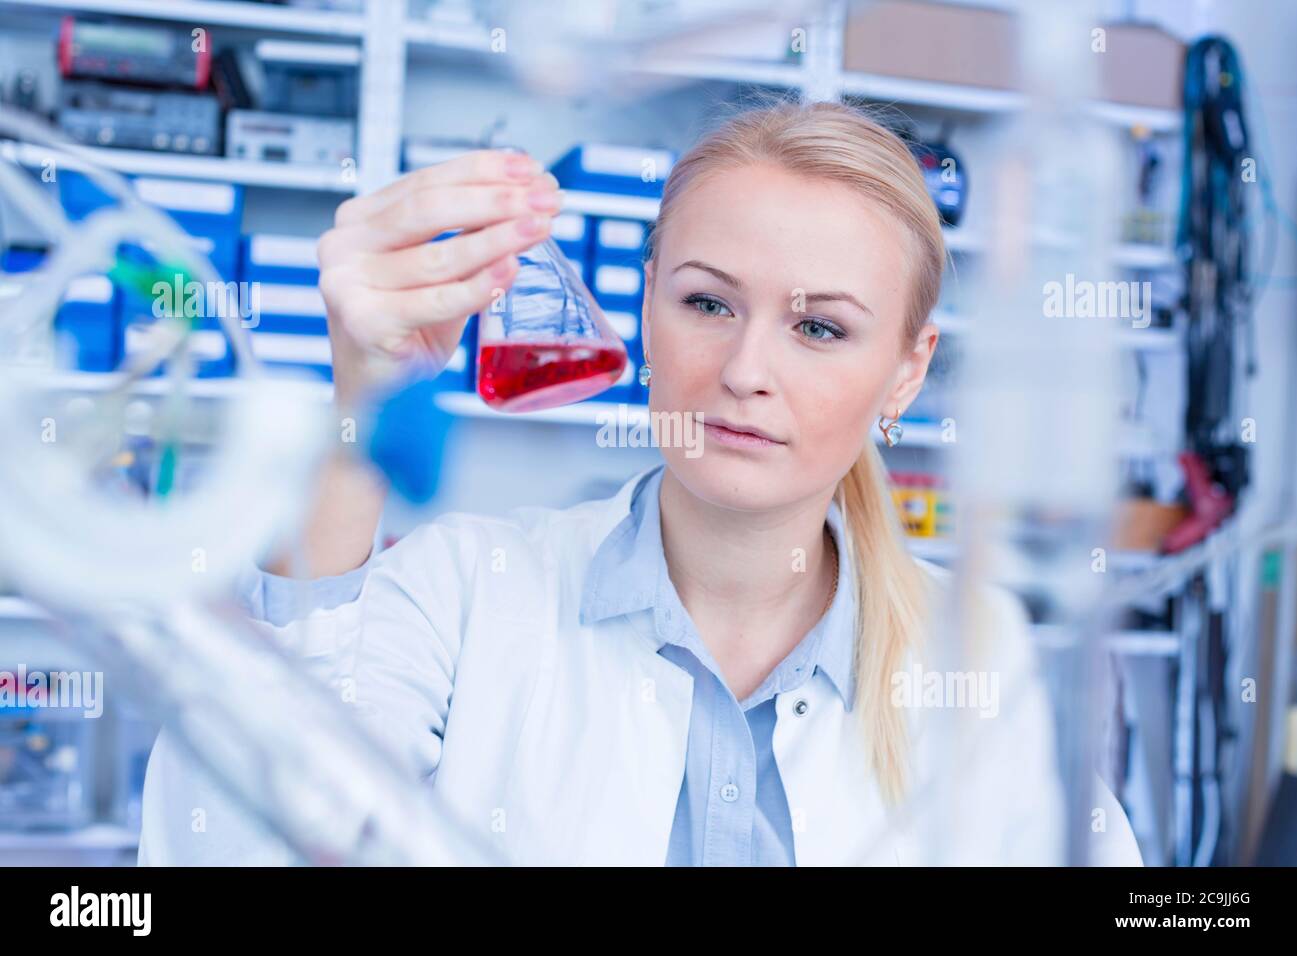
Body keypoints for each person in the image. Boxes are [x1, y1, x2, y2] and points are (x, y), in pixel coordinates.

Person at [140, 100, 1142, 866]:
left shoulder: (986, 657)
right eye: (707, 301)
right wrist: (360, 415)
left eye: (819, 326)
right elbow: (228, 833)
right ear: (645, 312)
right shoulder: (469, 591)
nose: (748, 367)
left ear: (908, 371)